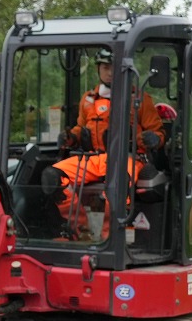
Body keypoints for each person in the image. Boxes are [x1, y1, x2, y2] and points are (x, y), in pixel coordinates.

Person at [41, 48, 164, 237]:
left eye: (114, 67)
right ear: (98, 69)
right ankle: (80, 232)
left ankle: (110, 239)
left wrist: (153, 138)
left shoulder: (139, 99)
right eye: (105, 67)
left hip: (128, 158)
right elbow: (80, 127)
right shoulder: (88, 99)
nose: (110, 72)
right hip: (93, 159)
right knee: (53, 177)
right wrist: (70, 137)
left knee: (118, 184)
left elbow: (158, 132)